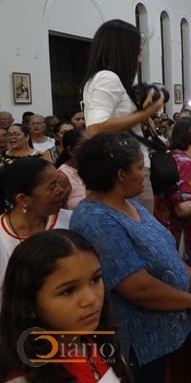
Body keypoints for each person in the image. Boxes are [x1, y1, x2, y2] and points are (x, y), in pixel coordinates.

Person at [70, 132, 191, 381]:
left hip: (167, 329)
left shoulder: (129, 202)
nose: (145, 174)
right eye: (140, 168)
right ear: (121, 175)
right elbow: (137, 288)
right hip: (138, 342)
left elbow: (164, 250)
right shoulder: (95, 220)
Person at [0, 230, 133, 382]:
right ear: (29, 304)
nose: (91, 299)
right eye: (68, 291)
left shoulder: (99, 343)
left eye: (95, 279)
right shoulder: (23, 378)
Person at [81, 19, 164, 213]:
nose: (138, 60)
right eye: (136, 52)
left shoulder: (107, 79)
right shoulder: (107, 78)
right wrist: (145, 113)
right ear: (122, 51)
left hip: (125, 170)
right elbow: (96, 129)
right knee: (137, 227)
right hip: (123, 173)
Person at [0, 157, 70, 294]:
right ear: (23, 199)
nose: (61, 190)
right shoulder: (2, 237)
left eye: (58, 182)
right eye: (52, 186)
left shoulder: (70, 221)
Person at [153, 119, 191, 258]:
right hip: (177, 235)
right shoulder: (185, 163)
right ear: (190, 135)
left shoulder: (172, 156)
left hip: (162, 231)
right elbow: (183, 208)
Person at [55, 128, 88, 210]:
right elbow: (55, 210)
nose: (90, 148)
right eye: (84, 145)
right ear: (70, 150)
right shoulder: (63, 176)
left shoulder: (94, 168)